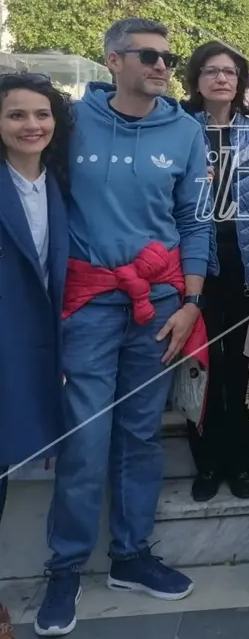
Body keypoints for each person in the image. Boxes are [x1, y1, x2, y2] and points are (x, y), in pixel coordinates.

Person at [35, 19, 211, 637]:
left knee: (138, 435)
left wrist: (190, 302)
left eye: (169, 57)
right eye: (149, 56)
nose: (164, 66)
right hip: (88, 300)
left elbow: (196, 222)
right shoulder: (71, 123)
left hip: (159, 305)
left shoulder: (187, 131)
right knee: (86, 438)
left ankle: (131, 557)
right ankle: (65, 569)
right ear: (114, 60)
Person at [182, 42, 249, 502]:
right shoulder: (179, 130)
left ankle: (239, 460)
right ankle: (206, 464)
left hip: (246, 261)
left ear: (242, 82)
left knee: (243, 366)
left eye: (230, 72)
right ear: (196, 79)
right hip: (193, 264)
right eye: (211, 71)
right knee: (201, 365)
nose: (222, 79)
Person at [0, 74, 72, 530]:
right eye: (16, 115)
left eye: (42, 114)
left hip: (41, 340)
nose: (32, 125)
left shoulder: (61, 185)